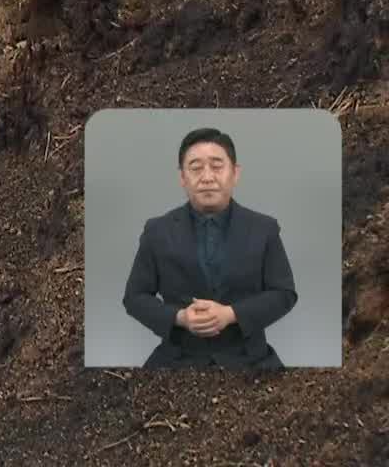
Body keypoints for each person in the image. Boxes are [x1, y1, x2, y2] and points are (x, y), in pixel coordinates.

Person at [122, 127, 298, 369]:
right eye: (195, 168)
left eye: (217, 166)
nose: (207, 177)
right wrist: (180, 318)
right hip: (177, 359)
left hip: (251, 359)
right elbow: (134, 298)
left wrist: (230, 314)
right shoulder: (157, 231)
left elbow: (284, 293)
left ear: (235, 173)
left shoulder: (264, 229)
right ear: (182, 178)